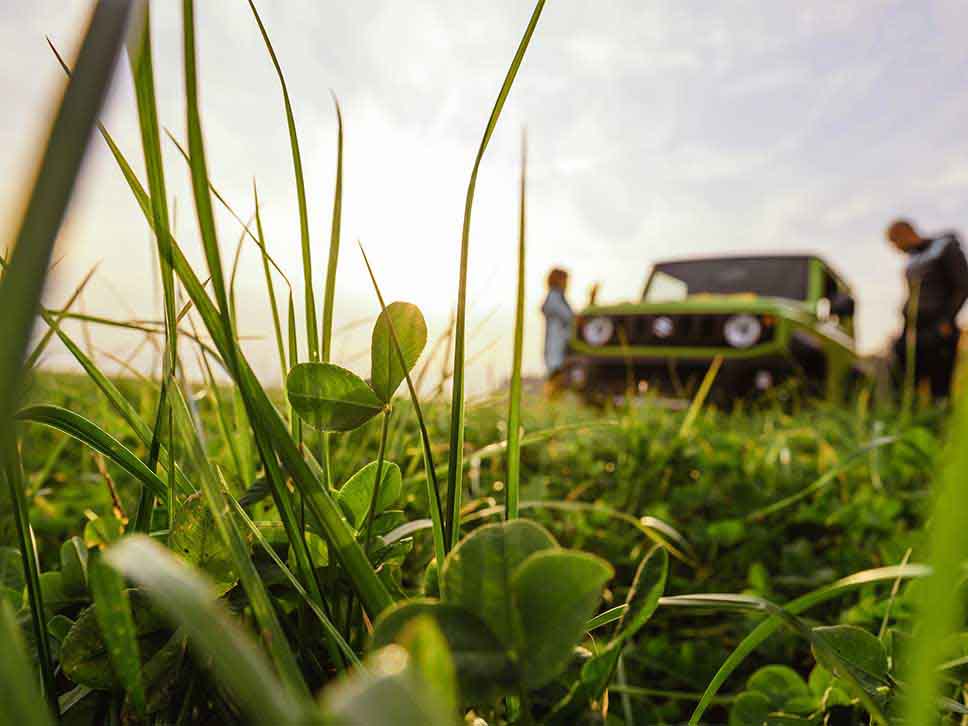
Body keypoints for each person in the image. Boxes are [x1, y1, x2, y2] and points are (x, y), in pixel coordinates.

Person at [886, 219, 968, 398]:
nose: (895, 248)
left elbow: (962, 286)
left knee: (939, 387)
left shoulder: (944, 248)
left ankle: (936, 421)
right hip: (913, 331)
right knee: (904, 383)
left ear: (904, 233)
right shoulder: (913, 260)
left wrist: (946, 320)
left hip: (939, 329)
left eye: (894, 242)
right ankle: (908, 420)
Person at [542, 268, 573, 389]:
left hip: (560, 348)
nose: (567, 284)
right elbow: (570, 318)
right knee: (556, 379)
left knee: (558, 379)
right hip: (556, 349)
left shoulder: (559, 298)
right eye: (565, 280)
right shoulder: (554, 299)